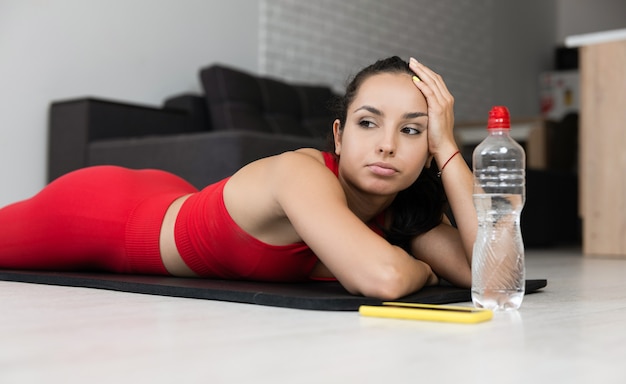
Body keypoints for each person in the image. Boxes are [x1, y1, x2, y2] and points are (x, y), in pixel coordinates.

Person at [0, 56, 476, 300]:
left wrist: (449, 147)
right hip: (107, 216)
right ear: (338, 133)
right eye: (368, 123)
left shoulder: (404, 210)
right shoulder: (299, 173)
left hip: (174, 195)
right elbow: (385, 276)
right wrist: (425, 271)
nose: (387, 144)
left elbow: (495, 275)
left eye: (412, 130)